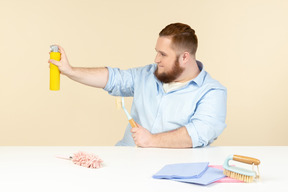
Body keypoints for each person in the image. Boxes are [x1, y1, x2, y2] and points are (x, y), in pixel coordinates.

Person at [48, 23, 227, 148]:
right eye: (157, 52)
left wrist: (152, 141)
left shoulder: (212, 92)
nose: (156, 59)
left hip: (171, 172)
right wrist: (70, 71)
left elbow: (200, 132)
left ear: (185, 57)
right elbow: (114, 78)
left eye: (163, 54)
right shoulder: (148, 74)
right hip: (126, 163)